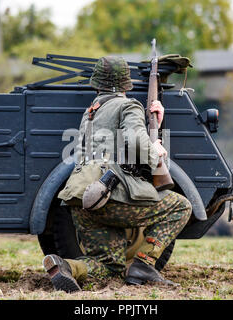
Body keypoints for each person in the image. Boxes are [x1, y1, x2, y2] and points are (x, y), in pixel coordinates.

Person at [43, 56, 192, 293]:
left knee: (108, 267)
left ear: (98, 83)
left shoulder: (91, 111)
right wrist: (155, 152)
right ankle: (144, 264)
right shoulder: (127, 105)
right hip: (109, 194)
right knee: (180, 207)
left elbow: (112, 148)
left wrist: (155, 124)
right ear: (125, 83)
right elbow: (134, 141)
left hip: (80, 198)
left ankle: (66, 267)